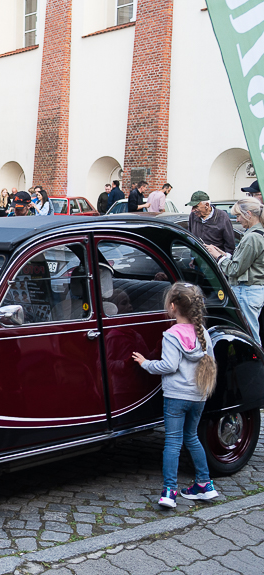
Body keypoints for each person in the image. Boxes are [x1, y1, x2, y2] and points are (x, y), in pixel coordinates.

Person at [132, 283, 218, 508]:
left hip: (176, 396)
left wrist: (146, 363)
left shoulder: (171, 334)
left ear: (172, 307)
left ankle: (169, 491)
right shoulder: (204, 333)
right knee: (192, 437)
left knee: (172, 442)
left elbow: (169, 365)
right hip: (198, 395)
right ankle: (204, 484)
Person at [206, 199, 264, 345]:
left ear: (248, 214)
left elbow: (235, 269)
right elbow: (247, 262)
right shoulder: (258, 234)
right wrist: (224, 255)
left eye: (238, 215)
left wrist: (218, 257)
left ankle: (257, 365)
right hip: (252, 290)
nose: (236, 219)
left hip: (246, 290)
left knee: (249, 334)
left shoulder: (252, 237)